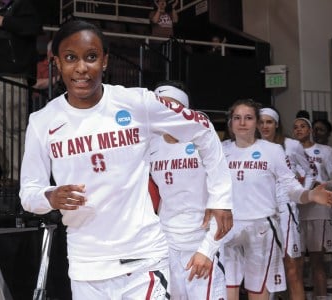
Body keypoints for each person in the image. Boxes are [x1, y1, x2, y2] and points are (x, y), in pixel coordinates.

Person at [19, 20, 232, 299]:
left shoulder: (137, 103)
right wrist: (50, 196)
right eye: (71, 58)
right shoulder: (42, 122)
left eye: (91, 57)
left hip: (144, 261)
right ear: (57, 63)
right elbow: (29, 195)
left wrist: (221, 198)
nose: (82, 68)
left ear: (105, 61)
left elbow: (202, 127)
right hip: (86, 266)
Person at [222, 99, 332, 300]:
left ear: (256, 122)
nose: (242, 123)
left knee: (259, 289)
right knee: (226, 289)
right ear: (230, 123)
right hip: (229, 228)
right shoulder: (220, 150)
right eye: (237, 118)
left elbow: (290, 187)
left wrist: (309, 194)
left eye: (248, 118)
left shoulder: (273, 150)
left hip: (262, 228)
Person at [150, 80, 232, 299]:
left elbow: (224, 202)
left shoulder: (203, 140)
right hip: (166, 244)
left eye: (172, 105)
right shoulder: (150, 144)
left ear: (185, 111)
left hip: (200, 243)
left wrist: (207, 250)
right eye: (160, 105)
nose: (165, 111)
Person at [0, 0, 43, 184]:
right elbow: (5, 40)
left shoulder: (23, 4)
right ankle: (9, 173)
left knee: (15, 127)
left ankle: (20, 175)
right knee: (2, 129)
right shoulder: (5, 9)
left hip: (13, 75)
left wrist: (4, 22)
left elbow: (34, 27)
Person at [258, 107, 312, 300]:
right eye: (261, 122)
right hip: (262, 212)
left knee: (292, 269)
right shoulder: (253, 146)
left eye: (269, 122)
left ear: (277, 124)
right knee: (265, 269)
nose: (265, 126)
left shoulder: (291, 145)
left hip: (286, 210)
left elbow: (309, 171)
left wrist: (302, 193)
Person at [293, 117, 332, 300]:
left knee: (318, 263)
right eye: (295, 127)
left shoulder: (326, 151)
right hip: (296, 213)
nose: (299, 130)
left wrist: (320, 184)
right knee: (298, 265)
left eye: (303, 126)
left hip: (319, 212)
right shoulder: (287, 152)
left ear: (310, 130)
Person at [311, 118, 332, 300]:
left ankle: (329, 294)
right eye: (315, 129)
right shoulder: (303, 152)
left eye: (321, 130)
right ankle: (311, 294)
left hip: (329, 209)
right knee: (310, 257)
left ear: (329, 133)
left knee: (328, 257)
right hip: (308, 209)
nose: (317, 133)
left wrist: (320, 185)